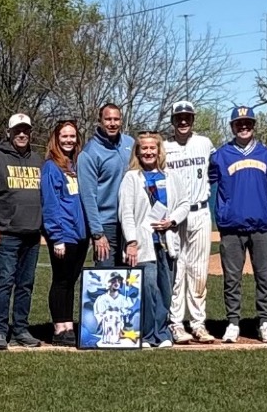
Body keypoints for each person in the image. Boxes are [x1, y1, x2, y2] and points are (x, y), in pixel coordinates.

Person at [209, 106, 267, 344]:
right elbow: (206, 184)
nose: (244, 127)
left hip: (263, 227)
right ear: (232, 126)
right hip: (231, 228)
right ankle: (233, 322)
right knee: (231, 279)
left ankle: (265, 322)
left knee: (265, 277)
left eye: (248, 122)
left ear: (254, 125)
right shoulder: (220, 155)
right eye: (239, 123)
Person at [0, 113, 45, 350]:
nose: (22, 134)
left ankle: (21, 330)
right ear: (9, 133)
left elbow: (44, 197)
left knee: (26, 284)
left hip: (32, 234)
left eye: (26, 130)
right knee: (5, 282)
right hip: (6, 233)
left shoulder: (38, 160)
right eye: (17, 130)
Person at [163, 101, 215, 343]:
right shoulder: (164, 147)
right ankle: (175, 322)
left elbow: (215, 171)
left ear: (193, 119)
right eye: (178, 117)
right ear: (172, 121)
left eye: (187, 117)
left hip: (200, 212)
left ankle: (198, 322)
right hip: (174, 216)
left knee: (198, 270)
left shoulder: (204, 143)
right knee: (177, 268)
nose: (183, 121)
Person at [120, 130, 176, 348]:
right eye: (145, 148)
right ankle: (147, 334)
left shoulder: (169, 177)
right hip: (143, 242)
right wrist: (131, 242)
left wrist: (171, 221)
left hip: (166, 241)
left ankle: (163, 333)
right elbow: (126, 212)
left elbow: (182, 204)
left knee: (165, 289)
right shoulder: (131, 178)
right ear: (138, 151)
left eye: (153, 148)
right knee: (149, 287)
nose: (149, 152)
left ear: (159, 151)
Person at [41, 118, 91, 346]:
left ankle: (69, 325)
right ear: (56, 138)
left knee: (71, 280)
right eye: (64, 136)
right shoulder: (52, 166)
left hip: (81, 235)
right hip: (64, 234)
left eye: (72, 136)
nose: (69, 140)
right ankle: (59, 328)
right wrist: (56, 237)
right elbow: (50, 204)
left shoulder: (77, 165)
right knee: (61, 280)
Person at [78, 103, 130, 267]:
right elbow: (88, 197)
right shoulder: (89, 153)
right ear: (100, 121)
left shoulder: (130, 143)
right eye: (108, 119)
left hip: (129, 223)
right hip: (106, 225)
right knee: (106, 279)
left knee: (131, 282)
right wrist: (97, 233)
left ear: (121, 121)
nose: (112, 123)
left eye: (116, 119)